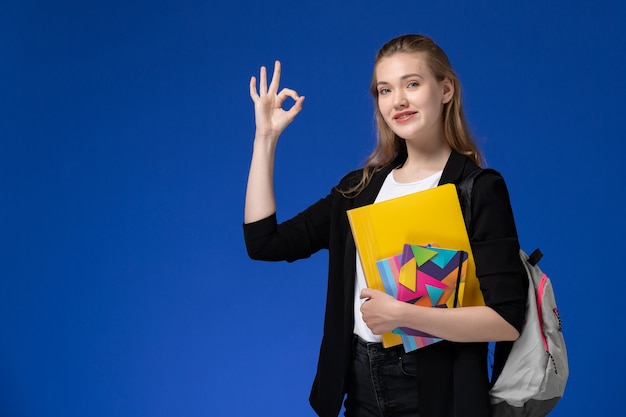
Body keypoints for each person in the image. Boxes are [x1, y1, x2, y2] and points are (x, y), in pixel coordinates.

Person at [243, 34, 528, 417]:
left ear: (445, 89)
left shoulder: (477, 189)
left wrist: (403, 316)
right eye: (385, 89)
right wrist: (266, 138)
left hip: (437, 395)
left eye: (412, 84)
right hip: (359, 385)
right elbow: (265, 243)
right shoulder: (359, 189)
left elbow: (506, 320)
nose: (399, 101)